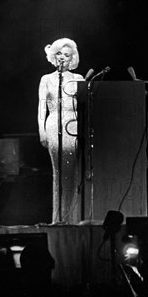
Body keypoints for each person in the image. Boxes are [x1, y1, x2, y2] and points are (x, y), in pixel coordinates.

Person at [38, 38, 84, 224]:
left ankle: (73, 217)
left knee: (73, 171)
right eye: (59, 54)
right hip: (54, 124)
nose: (63, 58)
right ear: (53, 56)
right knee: (58, 171)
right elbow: (42, 107)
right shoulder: (46, 79)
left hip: (74, 125)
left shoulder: (79, 79)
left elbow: (86, 106)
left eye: (67, 55)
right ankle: (58, 217)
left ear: (72, 57)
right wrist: (41, 131)